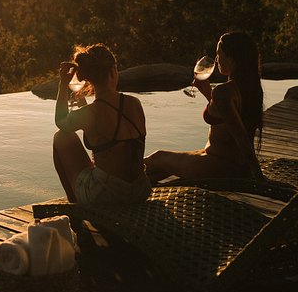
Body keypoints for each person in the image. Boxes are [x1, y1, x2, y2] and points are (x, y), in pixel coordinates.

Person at [144, 32, 265, 181]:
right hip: (232, 163)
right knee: (156, 171)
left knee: (157, 158)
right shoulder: (251, 89)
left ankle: (115, 182)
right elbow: (227, 119)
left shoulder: (224, 92)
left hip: (220, 166)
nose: (216, 60)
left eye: (219, 54)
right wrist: (209, 94)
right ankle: (134, 187)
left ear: (231, 57)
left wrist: (259, 177)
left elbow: (241, 136)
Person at [53, 44, 152, 205]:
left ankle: (75, 207)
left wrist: (63, 84)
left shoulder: (91, 113)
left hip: (107, 195)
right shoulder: (135, 103)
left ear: (88, 78)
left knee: (62, 137)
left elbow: (60, 121)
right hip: (140, 190)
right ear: (113, 72)